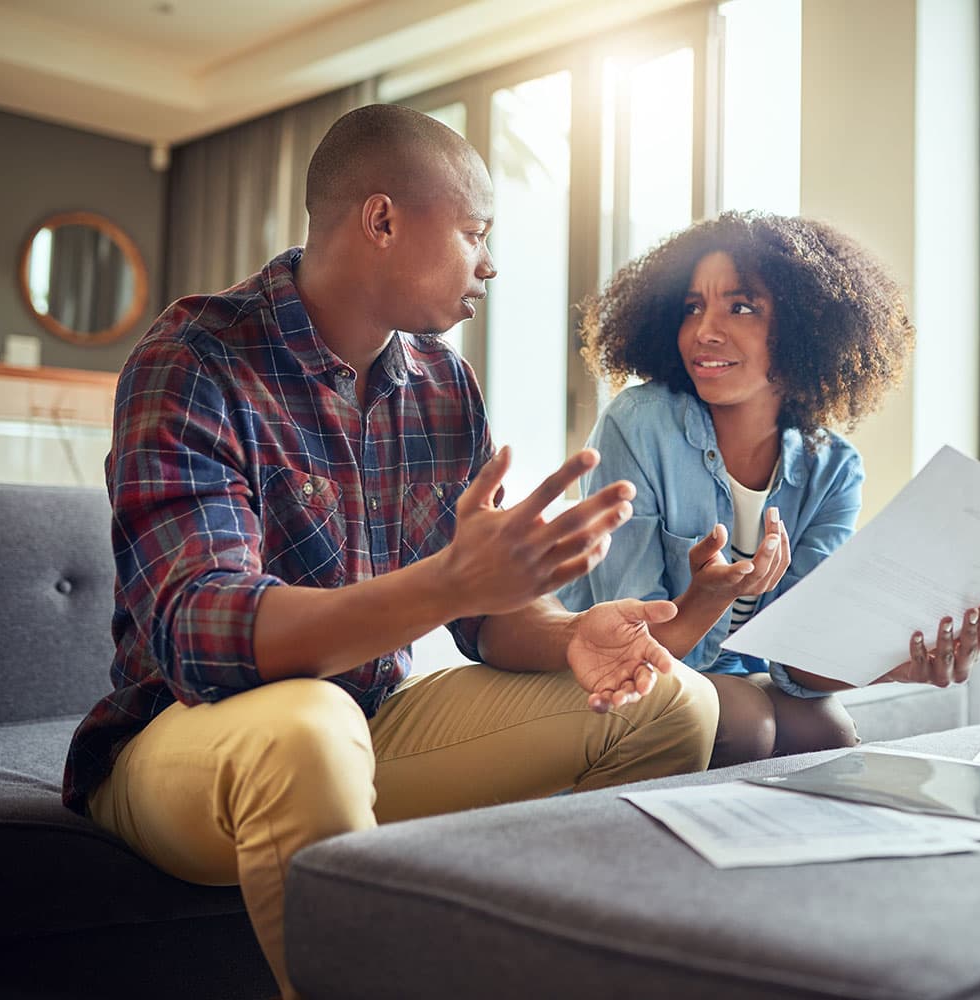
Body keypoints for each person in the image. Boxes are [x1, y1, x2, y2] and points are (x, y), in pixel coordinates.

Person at [61, 104, 718, 999]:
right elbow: (201, 630)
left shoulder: (444, 383)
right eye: (475, 233)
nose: (490, 262)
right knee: (306, 726)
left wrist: (567, 634)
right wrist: (445, 583)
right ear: (381, 220)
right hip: (180, 742)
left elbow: (485, 616)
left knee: (672, 702)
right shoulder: (196, 356)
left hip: (366, 726)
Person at [557, 212, 980, 766]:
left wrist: (895, 663)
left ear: (808, 331)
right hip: (613, 666)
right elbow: (638, 636)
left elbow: (794, 653)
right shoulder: (638, 424)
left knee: (826, 727)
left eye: (741, 307)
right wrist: (709, 597)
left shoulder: (833, 470)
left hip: (729, 675)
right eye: (693, 307)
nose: (704, 331)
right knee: (746, 719)